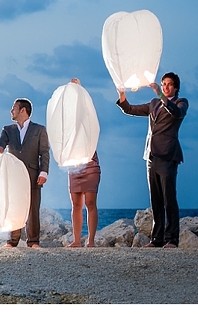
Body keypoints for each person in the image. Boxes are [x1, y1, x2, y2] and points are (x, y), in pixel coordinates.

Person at [116, 72, 188, 248]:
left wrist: (160, 94)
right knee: (155, 199)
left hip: (167, 156)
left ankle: (172, 239)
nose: (165, 86)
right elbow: (131, 109)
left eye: (169, 84)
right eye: (163, 84)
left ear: (176, 87)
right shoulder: (154, 104)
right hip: (151, 156)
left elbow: (176, 112)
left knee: (168, 198)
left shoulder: (181, 102)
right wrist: (122, 96)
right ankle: (157, 239)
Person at [0, 98, 50, 248]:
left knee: (33, 208)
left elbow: (44, 152)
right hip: (13, 176)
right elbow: (1, 141)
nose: (11, 111)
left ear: (23, 110)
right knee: (13, 206)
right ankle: (12, 241)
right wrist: (0, 148)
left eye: (13, 108)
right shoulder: (8, 129)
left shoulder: (39, 130)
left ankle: (33, 241)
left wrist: (44, 172)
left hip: (33, 175)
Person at [66, 79, 101, 248]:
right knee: (76, 204)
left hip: (90, 165)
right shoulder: (68, 123)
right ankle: (77, 240)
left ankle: (92, 240)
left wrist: (79, 90)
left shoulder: (87, 120)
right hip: (74, 166)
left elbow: (86, 109)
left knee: (90, 203)